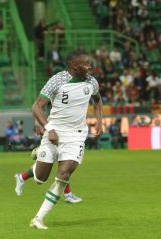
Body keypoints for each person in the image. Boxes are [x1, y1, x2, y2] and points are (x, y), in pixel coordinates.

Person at [29, 50, 103, 229]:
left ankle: (38, 218)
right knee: (40, 178)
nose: (89, 67)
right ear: (74, 67)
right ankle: (40, 153)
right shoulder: (57, 80)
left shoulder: (91, 82)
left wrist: (99, 121)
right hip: (54, 131)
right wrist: (49, 128)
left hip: (76, 135)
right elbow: (36, 107)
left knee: (64, 174)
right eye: (86, 64)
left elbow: (98, 100)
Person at [14, 123, 83, 204]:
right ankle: (22, 177)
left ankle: (68, 194)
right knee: (41, 178)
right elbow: (37, 111)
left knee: (64, 166)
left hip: (63, 134)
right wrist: (37, 124)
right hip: (53, 134)